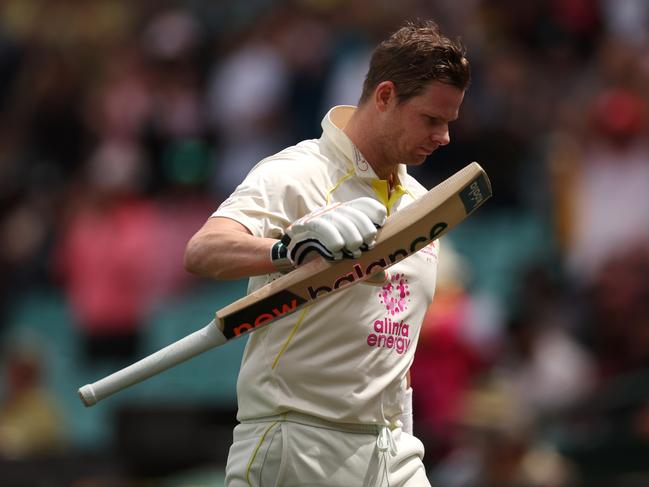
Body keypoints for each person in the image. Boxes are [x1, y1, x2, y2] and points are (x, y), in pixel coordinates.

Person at [184, 19, 470, 487]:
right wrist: (289, 250)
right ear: (384, 97)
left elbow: (397, 347)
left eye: (448, 122)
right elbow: (204, 251)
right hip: (296, 442)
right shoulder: (295, 174)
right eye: (431, 119)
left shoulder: (423, 206)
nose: (444, 137)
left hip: (393, 450)